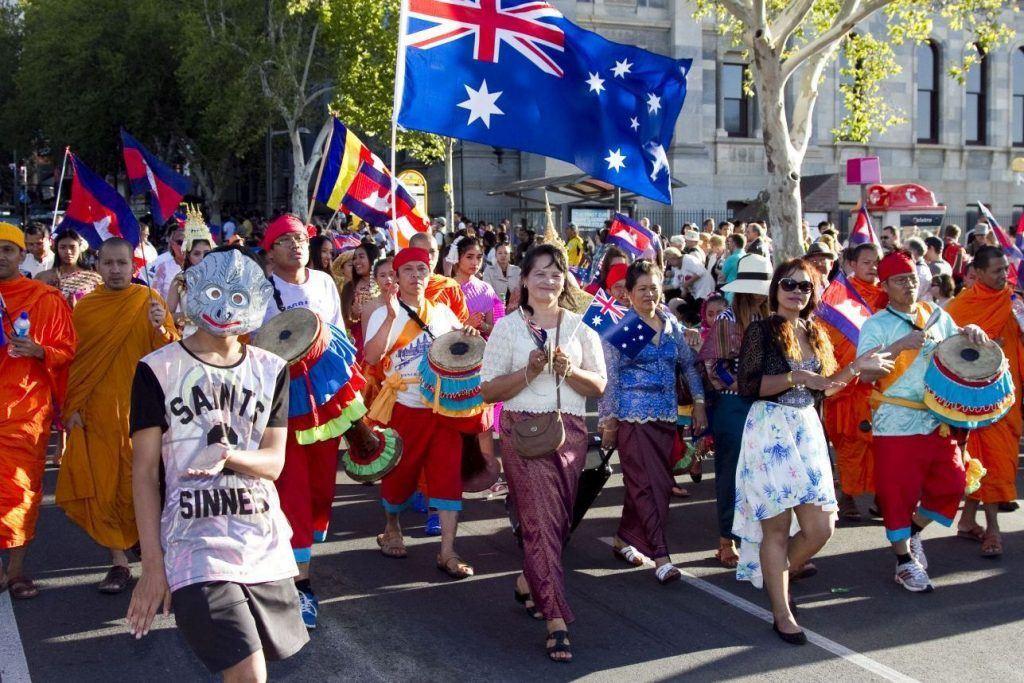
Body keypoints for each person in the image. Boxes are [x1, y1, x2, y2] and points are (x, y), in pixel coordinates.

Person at [126, 245, 308, 678]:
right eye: (213, 292)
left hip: (260, 542)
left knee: (254, 666)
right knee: (249, 672)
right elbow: (144, 474)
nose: (225, 307)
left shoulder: (271, 368)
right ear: (192, 293)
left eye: (239, 297)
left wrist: (229, 456)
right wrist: (153, 563)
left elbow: (275, 462)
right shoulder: (156, 369)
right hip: (193, 544)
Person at [733, 258, 891, 644]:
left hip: (807, 429)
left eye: (805, 286)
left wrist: (857, 367)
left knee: (822, 526)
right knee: (777, 526)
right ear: (776, 289)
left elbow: (828, 386)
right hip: (770, 427)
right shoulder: (762, 330)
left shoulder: (816, 331)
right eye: (789, 283)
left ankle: (775, 575)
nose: (796, 291)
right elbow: (748, 386)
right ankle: (782, 611)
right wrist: (794, 376)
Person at [481, 244, 606, 663]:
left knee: (556, 523)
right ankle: (556, 619)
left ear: (566, 279)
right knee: (537, 522)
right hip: (522, 432)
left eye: (556, 273)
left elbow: (599, 386)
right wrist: (529, 372)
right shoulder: (507, 328)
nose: (548, 281)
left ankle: (526, 582)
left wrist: (571, 370)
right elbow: (489, 390)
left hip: (569, 431)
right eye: (540, 273)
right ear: (525, 280)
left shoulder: (580, 327)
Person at [857, 250, 991, 592]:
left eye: (913, 279)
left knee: (953, 483)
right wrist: (901, 345)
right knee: (896, 494)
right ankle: (903, 561)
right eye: (900, 280)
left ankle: (914, 532)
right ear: (885, 285)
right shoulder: (876, 324)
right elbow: (863, 371)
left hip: (937, 418)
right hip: (895, 421)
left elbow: (958, 344)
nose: (909, 285)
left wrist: (971, 330)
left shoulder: (935, 314)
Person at [57, 238, 178, 594]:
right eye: (107, 263)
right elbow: (76, 363)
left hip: (143, 411)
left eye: (121, 263)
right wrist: (73, 407)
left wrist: (161, 327)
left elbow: (173, 356)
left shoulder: (148, 301)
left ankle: (151, 555)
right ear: (97, 265)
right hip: (98, 411)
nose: (114, 270)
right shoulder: (86, 309)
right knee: (105, 486)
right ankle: (119, 563)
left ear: (133, 265)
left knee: (146, 484)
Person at [364, 248, 480, 579]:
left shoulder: (442, 312)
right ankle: (391, 527)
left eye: (422, 269)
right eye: (409, 270)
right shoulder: (384, 312)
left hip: (443, 408)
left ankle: (447, 551)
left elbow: (458, 352)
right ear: (396, 278)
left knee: (447, 476)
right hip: (405, 404)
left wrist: (468, 334)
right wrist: (388, 316)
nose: (417, 275)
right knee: (399, 474)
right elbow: (372, 357)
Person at [261, 214, 346, 628]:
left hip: (326, 399)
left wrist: (352, 397)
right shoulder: (261, 290)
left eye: (302, 239)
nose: (298, 245)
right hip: (282, 403)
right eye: (287, 240)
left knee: (320, 488)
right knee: (292, 486)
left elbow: (340, 339)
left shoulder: (325, 284)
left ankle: (294, 557)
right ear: (271, 251)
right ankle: (301, 585)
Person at [599, 259, 705, 584]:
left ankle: (623, 539)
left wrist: (699, 402)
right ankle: (661, 555)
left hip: (667, 417)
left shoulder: (670, 323)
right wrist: (610, 421)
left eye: (654, 287)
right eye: (642, 289)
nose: (649, 294)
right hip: (632, 416)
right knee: (650, 486)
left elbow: (687, 366)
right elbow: (611, 379)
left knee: (647, 484)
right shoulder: (624, 326)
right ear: (628, 293)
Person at [0, 222, 77, 598]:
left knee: (21, 489)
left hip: (24, 411)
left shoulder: (43, 298)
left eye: (8, 250)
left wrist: (40, 351)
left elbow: (67, 350)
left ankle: (15, 571)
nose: (1, 256)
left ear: (21, 255)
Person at [945, 246, 1023, 557]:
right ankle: (993, 530)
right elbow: (947, 349)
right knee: (982, 460)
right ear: (977, 273)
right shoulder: (962, 306)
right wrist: (988, 346)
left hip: (1008, 393)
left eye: (1005, 269)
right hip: (975, 398)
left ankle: (966, 520)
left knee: (994, 459)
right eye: (997, 271)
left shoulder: (1014, 302)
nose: (1004, 275)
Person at [698, 253, 772, 568]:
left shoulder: (773, 319)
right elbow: (714, 366)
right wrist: (747, 386)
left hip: (769, 404)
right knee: (731, 473)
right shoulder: (728, 319)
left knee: (765, 473)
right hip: (734, 403)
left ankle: (762, 538)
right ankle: (726, 541)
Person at [818, 244, 888, 521]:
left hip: (880, 382)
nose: (872, 267)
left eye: (876, 262)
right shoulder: (839, 297)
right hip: (847, 385)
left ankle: (882, 496)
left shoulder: (885, 296)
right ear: (851, 264)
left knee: (882, 444)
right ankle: (847, 495)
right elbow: (826, 337)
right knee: (850, 443)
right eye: (866, 262)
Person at [165, 217, 213, 337]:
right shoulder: (180, 279)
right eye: (197, 254)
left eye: (206, 253)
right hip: (190, 340)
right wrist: (192, 318)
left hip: (218, 341)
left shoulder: (222, 278)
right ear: (188, 256)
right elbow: (168, 315)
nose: (202, 258)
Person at [409, 231, 470, 323]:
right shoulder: (401, 285)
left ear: (437, 254)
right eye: (422, 252)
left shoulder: (449, 286)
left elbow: (459, 323)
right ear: (410, 254)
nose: (429, 257)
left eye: (432, 252)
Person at [35, 229, 103, 308]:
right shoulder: (42, 277)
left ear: (79, 249)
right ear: (57, 249)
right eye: (63, 247)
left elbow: (100, 306)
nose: (68, 252)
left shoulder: (94, 278)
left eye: (72, 247)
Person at [341, 242, 381, 360]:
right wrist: (354, 315)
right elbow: (343, 322)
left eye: (361, 257)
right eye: (355, 258)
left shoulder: (385, 282)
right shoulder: (349, 287)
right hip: (358, 344)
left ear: (372, 257)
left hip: (383, 338)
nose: (356, 261)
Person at [151, 225, 185, 301]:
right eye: (180, 242)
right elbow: (154, 296)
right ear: (172, 244)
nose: (184, 246)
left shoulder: (197, 266)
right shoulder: (164, 267)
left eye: (187, 242)